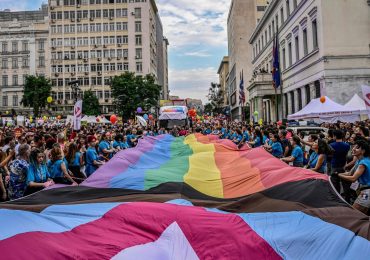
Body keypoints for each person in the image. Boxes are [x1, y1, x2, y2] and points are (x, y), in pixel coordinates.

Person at [339, 140, 370, 215]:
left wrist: (338, 175)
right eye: (353, 147)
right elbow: (349, 173)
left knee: (354, 215)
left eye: (356, 148)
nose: (353, 149)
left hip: (367, 192)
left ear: (363, 151)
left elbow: (353, 178)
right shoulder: (359, 161)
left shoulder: (363, 163)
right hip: (363, 190)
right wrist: (338, 173)